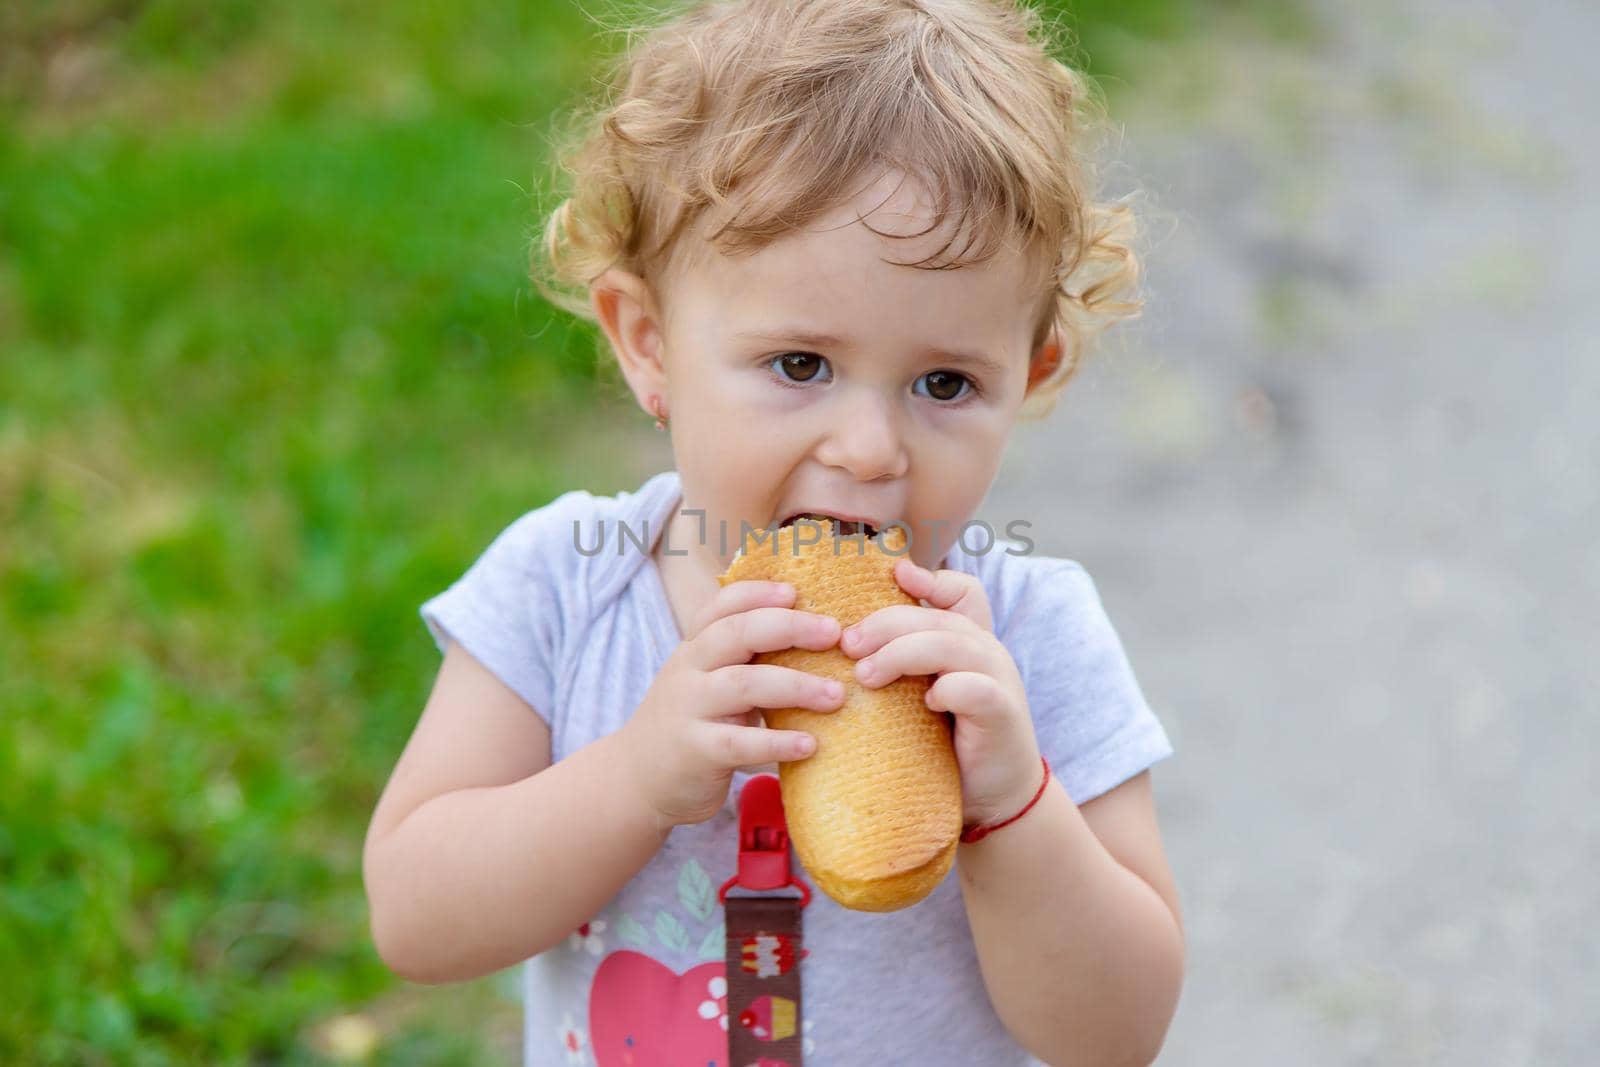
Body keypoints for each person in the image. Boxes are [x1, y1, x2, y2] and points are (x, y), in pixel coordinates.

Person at [363, 1, 1185, 1063]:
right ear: (649, 343)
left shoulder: (1026, 639)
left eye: (945, 382)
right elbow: (415, 917)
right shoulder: (565, 591)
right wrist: (636, 776)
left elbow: (1117, 1033)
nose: (868, 448)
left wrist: (1013, 806)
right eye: (799, 366)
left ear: (1027, 378)